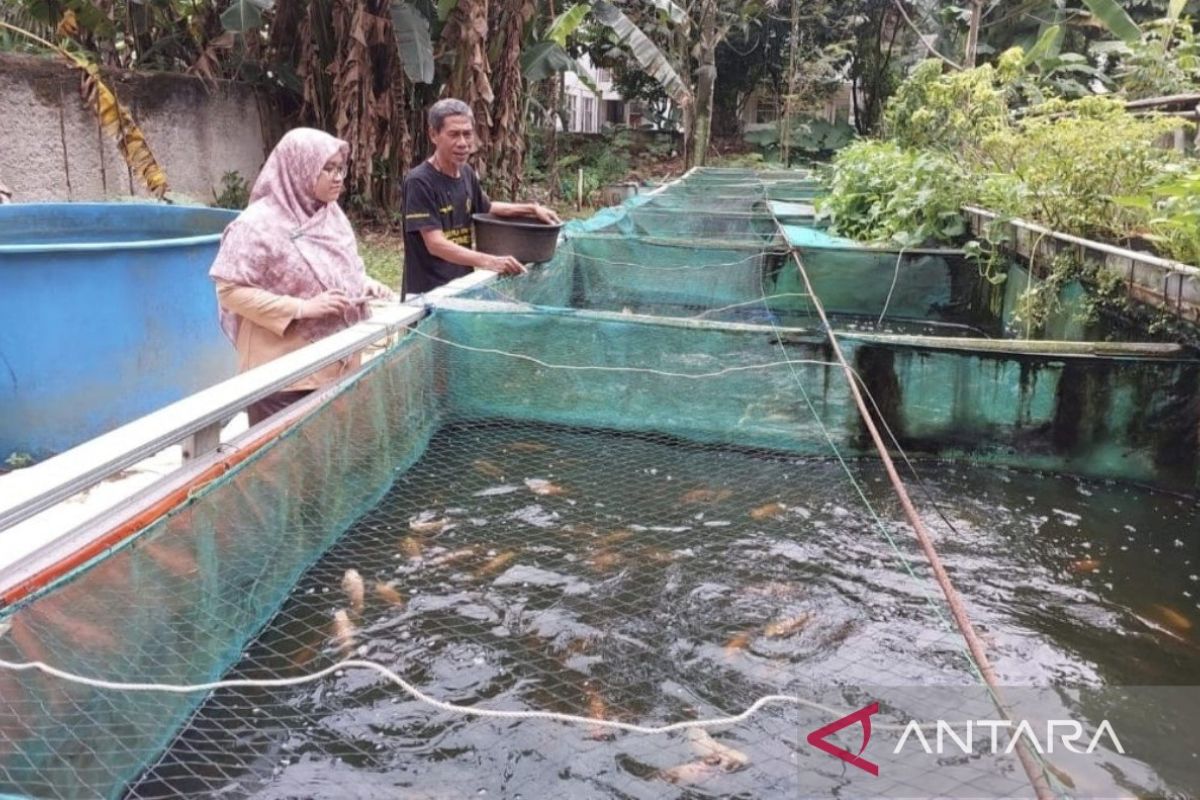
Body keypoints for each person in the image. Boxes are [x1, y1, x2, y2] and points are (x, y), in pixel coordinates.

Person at [209, 127, 394, 426]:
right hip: (284, 373)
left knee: (329, 460)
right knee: (283, 466)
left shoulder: (332, 216)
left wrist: (364, 282)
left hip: (337, 360)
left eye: (340, 169)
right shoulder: (256, 225)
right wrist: (302, 308)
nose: (337, 178)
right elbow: (229, 290)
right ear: (299, 168)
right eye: (327, 169)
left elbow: (343, 265)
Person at [402, 98, 561, 296]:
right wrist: (490, 261)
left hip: (462, 287)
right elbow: (435, 244)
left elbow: (487, 208)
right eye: (454, 135)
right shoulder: (420, 181)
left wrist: (532, 209)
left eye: (467, 134)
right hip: (428, 295)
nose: (463, 143)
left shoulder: (466, 173)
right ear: (434, 135)